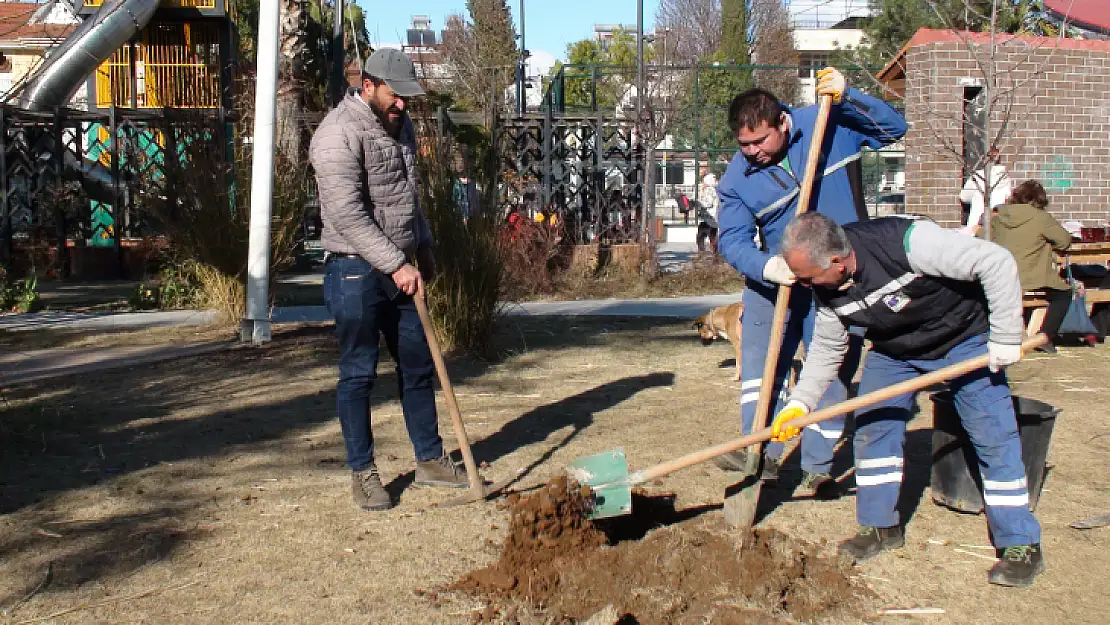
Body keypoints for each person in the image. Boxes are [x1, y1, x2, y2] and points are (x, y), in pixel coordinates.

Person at [771, 212, 1044, 588]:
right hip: (896, 351)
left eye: (808, 277)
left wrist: (1006, 337)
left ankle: (1020, 543)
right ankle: (880, 526)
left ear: (836, 261)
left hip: (964, 338)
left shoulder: (908, 243)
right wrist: (799, 404)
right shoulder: (824, 286)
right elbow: (828, 348)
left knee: (992, 433)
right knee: (872, 427)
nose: (804, 285)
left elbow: (995, 261)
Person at [715, 67, 908, 494]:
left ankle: (817, 464)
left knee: (832, 369)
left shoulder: (828, 119)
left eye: (760, 141)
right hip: (775, 284)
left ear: (783, 122)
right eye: (743, 144)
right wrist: (767, 267)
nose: (752, 152)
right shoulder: (736, 179)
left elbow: (895, 128)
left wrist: (850, 97)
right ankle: (757, 452)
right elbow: (730, 239)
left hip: (834, 279)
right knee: (761, 371)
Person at [309, 48, 467, 511]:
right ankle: (364, 472)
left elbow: (410, 195)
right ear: (369, 86)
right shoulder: (336, 134)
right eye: (396, 97)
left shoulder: (404, 126)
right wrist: (396, 265)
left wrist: (426, 245)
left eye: (408, 99)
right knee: (358, 374)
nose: (402, 106)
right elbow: (349, 215)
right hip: (354, 270)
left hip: (403, 266)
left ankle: (431, 458)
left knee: (417, 366)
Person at [990, 180, 1072, 352]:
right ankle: (1045, 336)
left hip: (999, 275)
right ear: (1039, 200)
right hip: (1030, 276)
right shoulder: (1040, 217)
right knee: (1063, 294)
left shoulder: (998, 216)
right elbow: (1064, 242)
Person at [959, 147, 1012, 236]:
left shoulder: (977, 176)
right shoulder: (1005, 178)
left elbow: (964, 197)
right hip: (996, 225)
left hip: (976, 225)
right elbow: (1008, 198)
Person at [697, 172, 720, 253]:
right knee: (712, 237)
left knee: (700, 237)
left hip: (708, 218)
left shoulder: (709, 190)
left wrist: (698, 202)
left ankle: (702, 254)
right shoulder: (715, 189)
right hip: (713, 218)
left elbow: (708, 203)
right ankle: (715, 255)